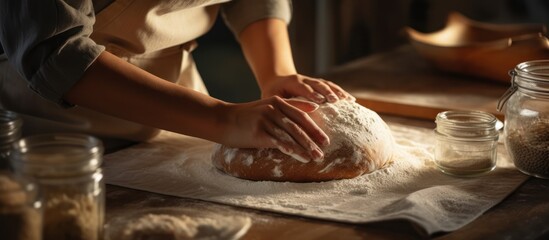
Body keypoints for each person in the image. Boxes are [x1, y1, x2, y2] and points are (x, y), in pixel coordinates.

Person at [0, 0, 354, 162]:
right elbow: (55, 50)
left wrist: (277, 72)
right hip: (50, 141)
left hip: (183, 126)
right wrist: (224, 119)